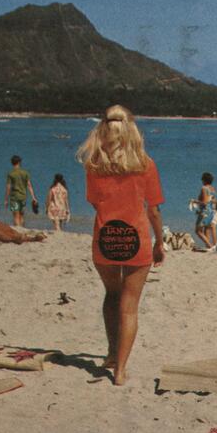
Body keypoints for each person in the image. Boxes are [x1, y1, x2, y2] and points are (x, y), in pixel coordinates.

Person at [76, 104, 165, 386]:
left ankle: (112, 353)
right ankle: (120, 370)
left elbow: (93, 202)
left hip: (105, 239)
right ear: (131, 131)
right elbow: (153, 210)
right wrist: (160, 241)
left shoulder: (94, 165)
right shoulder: (145, 165)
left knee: (111, 295)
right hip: (136, 239)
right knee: (129, 307)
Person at [4, 155, 38, 227]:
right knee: (22, 214)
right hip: (23, 196)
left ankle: (18, 229)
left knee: (16, 215)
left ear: (12, 163)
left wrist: (6, 199)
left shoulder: (11, 173)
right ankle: (22, 228)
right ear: (19, 162)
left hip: (14, 197)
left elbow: (8, 187)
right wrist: (33, 197)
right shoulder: (25, 173)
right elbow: (29, 185)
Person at [194, 172, 217, 248]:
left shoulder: (204, 188)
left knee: (198, 231)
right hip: (212, 211)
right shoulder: (213, 189)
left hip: (205, 212)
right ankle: (208, 247)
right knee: (207, 229)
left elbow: (205, 202)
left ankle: (210, 246)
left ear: (204, 180)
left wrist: (195, 201)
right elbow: (213, 201)